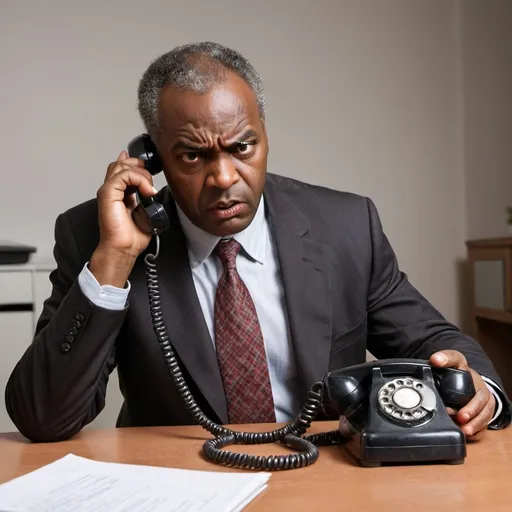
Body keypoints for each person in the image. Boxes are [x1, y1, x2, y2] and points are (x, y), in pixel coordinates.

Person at [5, 42, 510, 443]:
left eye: (242, 146)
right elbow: (44, 418)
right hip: (179, 484)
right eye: (191, 156)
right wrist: (114, 258)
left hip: (325, 474)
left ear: (265, 134)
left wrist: (480, 391)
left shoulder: (346, 225)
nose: (224, 177)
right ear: (152, 158)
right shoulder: (97, 238)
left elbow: (434, 341)